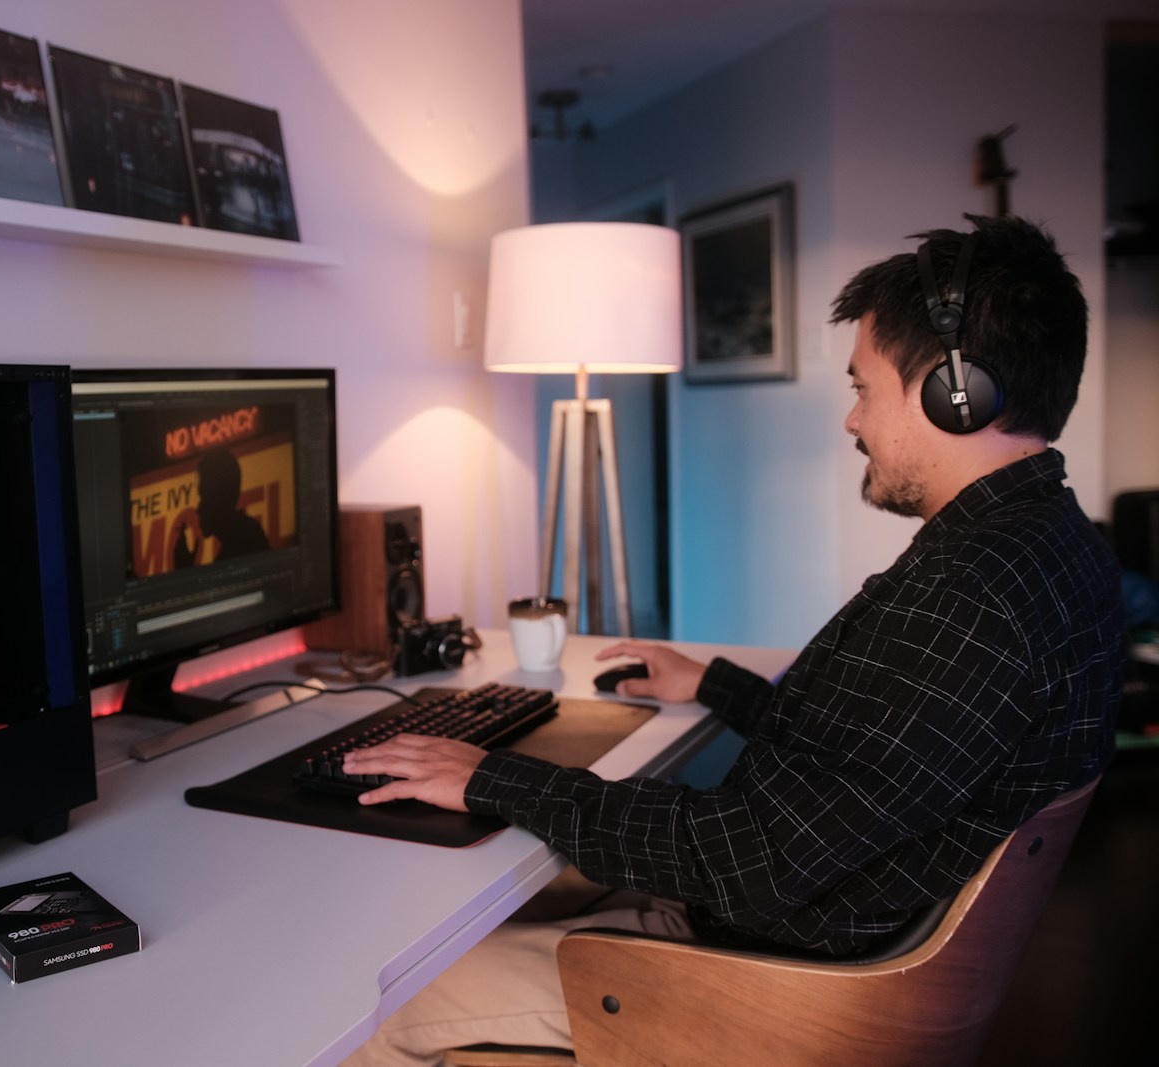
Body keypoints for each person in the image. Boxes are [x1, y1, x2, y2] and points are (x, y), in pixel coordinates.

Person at [339, 214, 1125, 1066]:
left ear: (952, 390)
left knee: (375, 1000)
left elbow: (751, 858)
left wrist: (495, 775)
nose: (853, 421)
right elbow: (875, 765)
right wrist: (719, 686)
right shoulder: (1049, 548)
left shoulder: (970, 595)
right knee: (494, 886)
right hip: (826, 922)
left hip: (771, 982)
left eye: (862, 387)